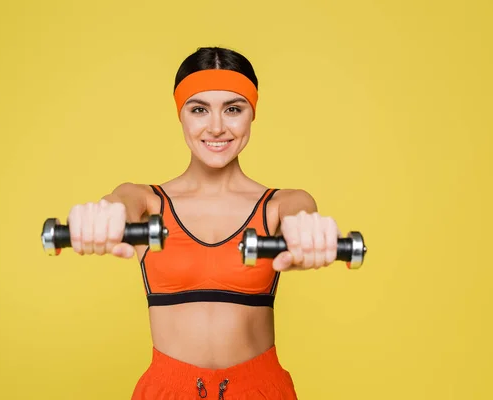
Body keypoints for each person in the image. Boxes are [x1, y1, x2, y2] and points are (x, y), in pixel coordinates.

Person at [67, 47, 341, 399]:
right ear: (180, 115)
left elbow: (301, 218)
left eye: (232, 109)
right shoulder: (147, 201)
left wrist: (309, 234)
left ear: (251, 113)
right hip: (166, 391)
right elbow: (119, 204)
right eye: (199, 109)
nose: (216, 127)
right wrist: (100, 216)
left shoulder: (281, 204)